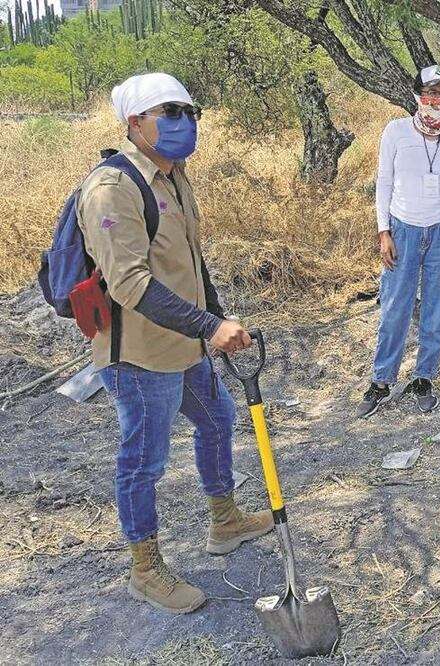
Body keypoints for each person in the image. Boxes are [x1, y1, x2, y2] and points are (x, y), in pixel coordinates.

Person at [79, 73, 272, 613]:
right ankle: (145, 568)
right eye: (170, 111)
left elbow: (189, 258)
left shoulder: (174, 176)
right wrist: (208, 327)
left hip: (185, 344)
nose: (184, 122)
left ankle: (225, 521)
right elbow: (130, 283)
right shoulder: (112, 189)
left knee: (216, 420)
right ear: (135, 122)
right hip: (140, 356)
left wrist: (214, 319)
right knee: (143, 462)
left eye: (190, 112)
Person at [358, 65, 440, 418]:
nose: (436, 99)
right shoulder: (395, 132)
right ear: (417, 94)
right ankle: (381, 380)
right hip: (403, 229)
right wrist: (383, 231)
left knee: (436, 310)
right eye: (430, 92)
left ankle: (424, 377)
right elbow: (384, 182)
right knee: (395, 307)